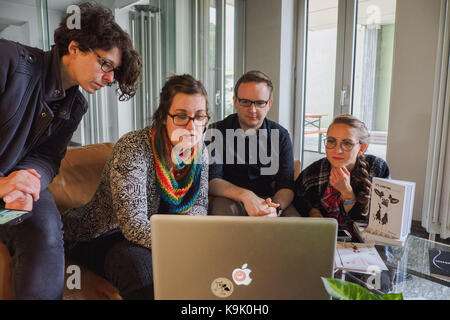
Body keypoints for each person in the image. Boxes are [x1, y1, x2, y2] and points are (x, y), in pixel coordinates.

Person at [0, 2, 141, 299]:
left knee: (46, 232)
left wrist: (30, 177)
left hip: (17, 189)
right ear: (75, 47)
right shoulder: (8, 59)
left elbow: (48, 157)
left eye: (114, 71)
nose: (110, 78)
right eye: (106, 64)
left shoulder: (76, 105)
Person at [62, 74, 210, 300]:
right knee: (142, 273)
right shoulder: (133, 147)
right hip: (106, 234)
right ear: (163, 116)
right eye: (181, 116)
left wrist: (188, 237)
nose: (192, 126)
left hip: (160, 235)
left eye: (199, 117)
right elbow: (133, 225)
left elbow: (199, 205)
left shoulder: (201, 152)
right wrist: (180, 244)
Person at [207, 70, 298, 217]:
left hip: (270, 200)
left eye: (260, 103)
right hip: (230, 199)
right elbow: (212, 181)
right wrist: (246, 195)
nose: (252, 110)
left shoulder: (281, 135)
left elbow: (286, 186)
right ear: (235, 102)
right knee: (221, 211)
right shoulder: (215, 131)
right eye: (245, 102)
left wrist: (275, 208)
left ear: (269, 104)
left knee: (296, 223)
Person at [292, 114, 390, 234]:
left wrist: (347, 192)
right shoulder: (314, 172)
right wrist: (313, 211)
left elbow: (377, 223)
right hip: (321, 241)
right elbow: (296, 202)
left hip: (365, 245)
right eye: (331, 141)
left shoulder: (376, 168)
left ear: (361, 148)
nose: (337, 150)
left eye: (347, 143)